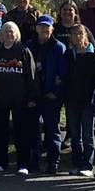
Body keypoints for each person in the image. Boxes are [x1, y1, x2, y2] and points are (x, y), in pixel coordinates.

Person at [0, 21, 37, 175]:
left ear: (17, 34)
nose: (9, 34)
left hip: (20, 100)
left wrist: (31, 97)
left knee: (22, 132)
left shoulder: (24, 51)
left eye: (12, 32)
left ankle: (23, 163)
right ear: (1, 35)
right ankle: (0, 162)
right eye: (6, 32)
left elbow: (31, 76)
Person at [27, 15, 66, 174]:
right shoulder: (29, 45)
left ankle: (53, 162)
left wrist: (55, 93)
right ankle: (34, 161)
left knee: (52, 130)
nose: (44, 29)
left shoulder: (59, 47)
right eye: (41, 26)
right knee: (33, 130)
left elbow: (63, 74)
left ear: (52, 29)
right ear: (36, 28)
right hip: (34, 95)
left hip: (51, 96)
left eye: (47, 27)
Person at [65, 24, 95, 177]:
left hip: (88, 101)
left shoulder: (94, 55)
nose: (77, 37)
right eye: (74, 34)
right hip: (72, 100)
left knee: (87, 135)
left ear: (85, 35)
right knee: (75, 135)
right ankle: (77, 163)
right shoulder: (68, 54)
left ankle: (88, 165)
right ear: (70, 37)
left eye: (80, 33)